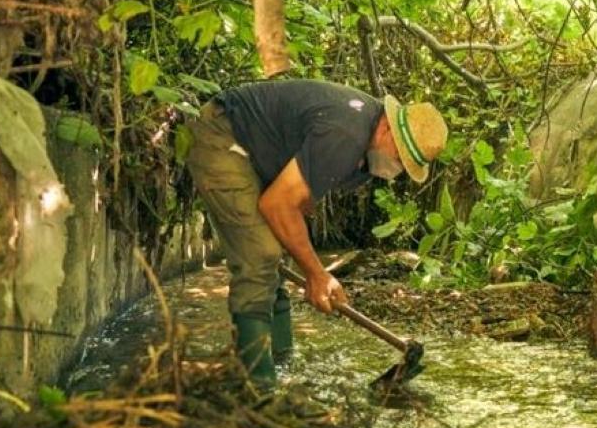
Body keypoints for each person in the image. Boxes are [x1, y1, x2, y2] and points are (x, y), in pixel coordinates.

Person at [185, 79, 448, 389]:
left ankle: (281, 360)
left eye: (406, 165)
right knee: (261, 256)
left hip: (259, 156)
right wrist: (317, 274)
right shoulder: (345, 134)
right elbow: (277, 205)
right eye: (400, 156)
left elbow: (299, 196)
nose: (398, 168)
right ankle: (259, 389)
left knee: (275, 256)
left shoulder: (363, 147)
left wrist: (303, 242)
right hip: (224, 137)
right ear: (387, 130)